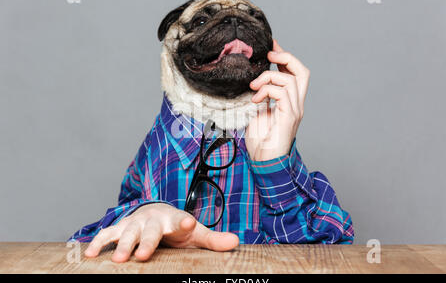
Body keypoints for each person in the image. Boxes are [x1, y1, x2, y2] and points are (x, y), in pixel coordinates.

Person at [70, 40, 354, 263]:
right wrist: (144, 213)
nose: (232, 29)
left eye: (248, 19)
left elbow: (331, 253)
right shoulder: (155, 149)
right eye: (203, 21)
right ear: (169, 44)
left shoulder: (269, 138)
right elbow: (91, 244)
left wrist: (273, 165)